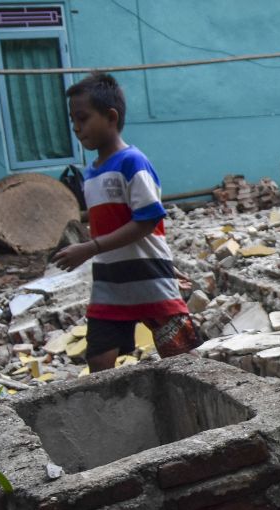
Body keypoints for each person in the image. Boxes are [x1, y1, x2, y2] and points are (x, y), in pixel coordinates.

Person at [52, 72, 196, 372]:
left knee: (181, 354)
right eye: (73, 120)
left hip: (149, 278)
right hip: (110, 281)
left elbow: (148, 221)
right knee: (99, 359)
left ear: (111, 117)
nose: (76, 128)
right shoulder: (91, 174)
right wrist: (94, 249)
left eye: (83, 118)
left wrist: (89, 248)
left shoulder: (133, 162)